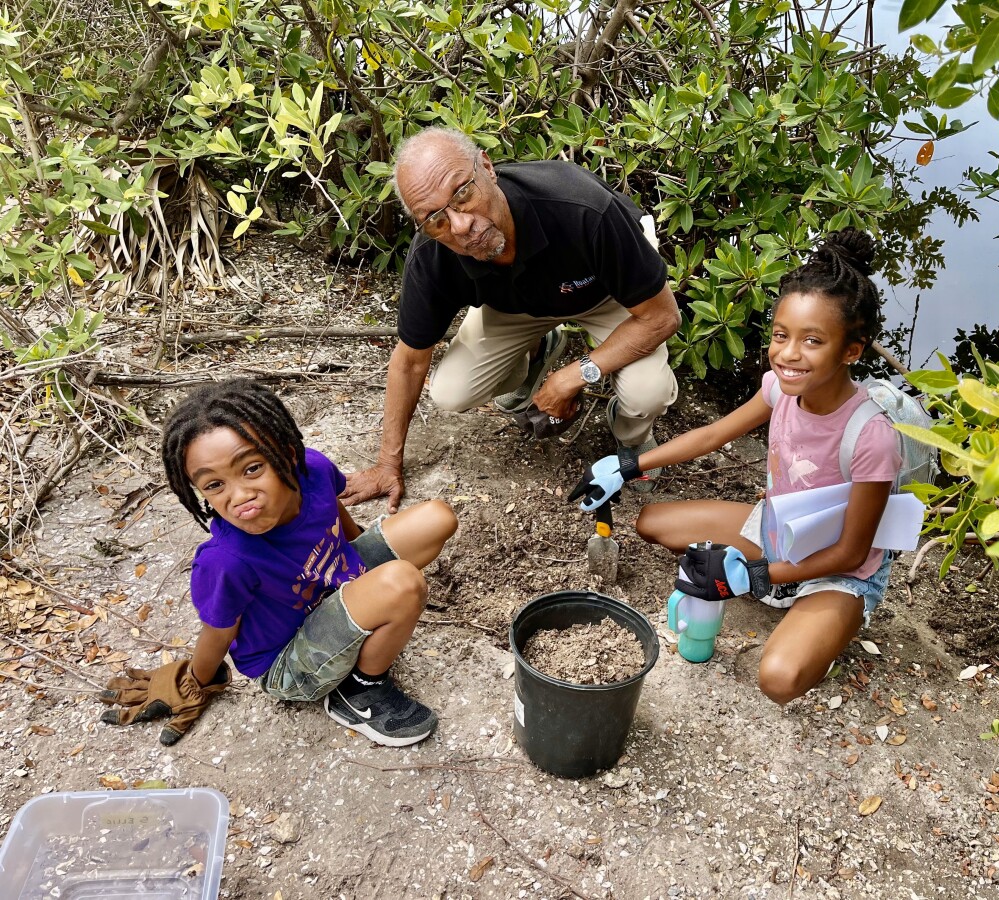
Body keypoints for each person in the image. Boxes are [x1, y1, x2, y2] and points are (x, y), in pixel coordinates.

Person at [570, 229, 900, 705]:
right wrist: (626, 465)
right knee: (651, 523)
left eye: (813, 341)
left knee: (779, 679)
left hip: (837, 570)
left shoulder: (871, 436)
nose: (789, 354)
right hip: (779, 531)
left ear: (851, 350)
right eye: (781, 335)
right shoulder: (778, 388)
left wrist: (755, 576)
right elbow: (711, 436)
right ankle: (781, 593)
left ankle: (825, 624)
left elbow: (852, 552)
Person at [98, 379, 458, 747]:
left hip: (334, 588)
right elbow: (218, 633)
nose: (239, 496)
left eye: (252, 468)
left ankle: (372, 613)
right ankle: (359, 690)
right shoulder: (226, 561)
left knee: (437, 518)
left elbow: (332, 511)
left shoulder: (313, 469)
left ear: (287, 455)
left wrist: (365, 574)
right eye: (214, 485)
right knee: (402, 582)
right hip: (291, 663)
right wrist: (193, 684)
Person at [340, 127, 681, 512]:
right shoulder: (432, 256)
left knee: (646, 393)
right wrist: (387, 464)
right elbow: (409, 360)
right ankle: (539, 349)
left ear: (486, 167)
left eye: (463, 194)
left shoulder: (583, 209)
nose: (459, 226)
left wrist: (572, 376)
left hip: (610, 293)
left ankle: (632, 437)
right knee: (451, 392)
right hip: (517, 305)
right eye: (434, 218)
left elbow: (662, 318)